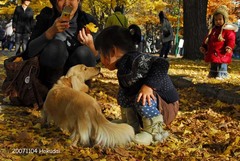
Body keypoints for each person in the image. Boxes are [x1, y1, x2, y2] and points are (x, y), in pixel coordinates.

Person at [94, 25, 179, 145]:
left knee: (142, 95)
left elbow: (162, 63)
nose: (101, 59)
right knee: (123, 93)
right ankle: (130, 125)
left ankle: (155, 132)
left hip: (167, 106)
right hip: (154, 107)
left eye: (101, 54)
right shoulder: (123, 66)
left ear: (113, 51)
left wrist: (148, 86)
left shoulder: (135, 60)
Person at [24, 0, 99, 90]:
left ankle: (80, 93)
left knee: (83, 52)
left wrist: (90, 46)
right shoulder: (47, 17)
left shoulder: (88, 21)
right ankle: (50, 93)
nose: (67, 3)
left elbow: (98, 58)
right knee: (56, 47)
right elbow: (30, 51)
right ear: (55, 2)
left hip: (77, 82)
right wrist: (51, 32)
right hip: (50, 79)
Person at [199, 5, 238, 79]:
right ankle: (212, 74)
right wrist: (204, 46)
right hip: (213, 51)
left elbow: (231, 39)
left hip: (222, 52)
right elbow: (207, 39)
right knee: (213, 63)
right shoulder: (212, 30)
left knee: (222, 64)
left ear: (225, 19)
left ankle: (222, 75)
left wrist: (229, 46)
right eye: (216, 20)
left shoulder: (228, 30)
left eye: (220, 19)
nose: (218, 21)